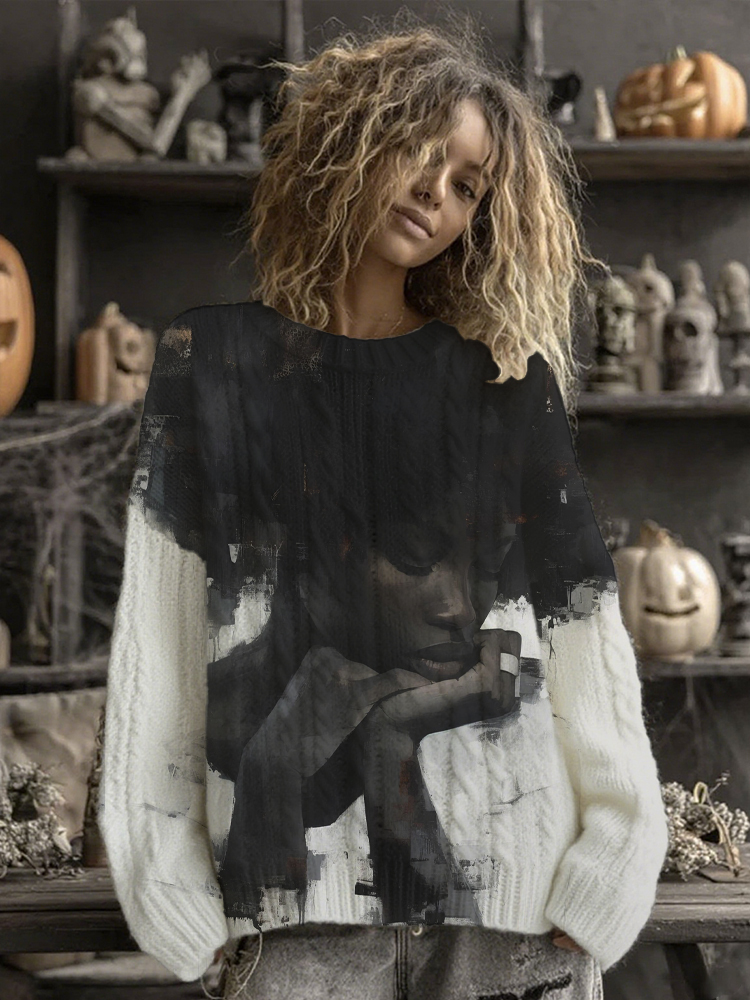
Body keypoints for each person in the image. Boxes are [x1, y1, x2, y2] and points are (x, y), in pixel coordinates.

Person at [97, 13, 669, 1000]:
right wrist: (173, 892)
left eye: (469, 185)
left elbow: (583, 632)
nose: (437, 193)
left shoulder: (503, 380)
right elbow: (160, 638)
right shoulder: (213, 365)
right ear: (352, 137)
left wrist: (614, 863)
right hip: (292, 927)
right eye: (422, 151)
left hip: (516, 920)